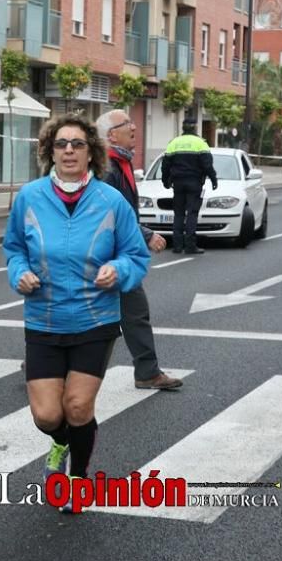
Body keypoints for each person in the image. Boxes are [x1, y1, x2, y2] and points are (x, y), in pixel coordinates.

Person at [3, 113, 150, 513]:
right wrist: (20, 273)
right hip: (44, 320)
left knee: (78, 407)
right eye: (61, 144)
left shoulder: (110, 201)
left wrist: (118, 270)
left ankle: (79, 479)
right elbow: (14, 248)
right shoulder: (30, 197)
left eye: (77, 144)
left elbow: (136, 255)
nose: (69, 150)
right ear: (50, 151)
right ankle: (60, 441)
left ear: (91, 153)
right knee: (48, 415)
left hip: (94, 320)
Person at [96, 110, 183, 391]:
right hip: (106, 255)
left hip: (115, 252)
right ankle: (146, 372)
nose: (134, 127)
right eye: (126, 124)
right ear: (111, 135)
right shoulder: (107, 167)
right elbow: (109, 210)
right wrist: (146, 235)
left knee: (128, 313)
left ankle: (147, 371)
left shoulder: (119, 163)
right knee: (128, 313)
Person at [161, 119, 218, 254]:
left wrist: (165, 181)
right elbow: (207, 165)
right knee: (192, 213)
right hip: (194, 183)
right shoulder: (200, 143)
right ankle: (190, 246)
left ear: (183, 128)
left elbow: (165, 165)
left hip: (178, 183)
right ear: (195, 128)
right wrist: (214, 179)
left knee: (179, 214)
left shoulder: (174, 143)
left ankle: (177, 246)